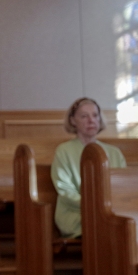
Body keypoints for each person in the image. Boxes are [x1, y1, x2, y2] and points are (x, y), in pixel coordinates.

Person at [51, 97, 126, 238]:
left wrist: (108, 208)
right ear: (73, 120)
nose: (91, 120)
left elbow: (122, 189)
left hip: (112, 211)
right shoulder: (63, 151)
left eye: (95, 115)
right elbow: (65, 191)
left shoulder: (114, 152)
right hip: (76, 214)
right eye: (84, 116)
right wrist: (97, 207)